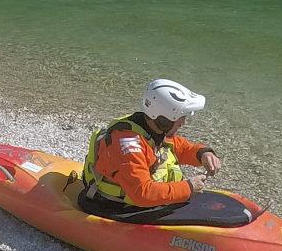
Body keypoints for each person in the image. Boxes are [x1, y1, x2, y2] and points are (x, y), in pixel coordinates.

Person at [80, 78, 223, 219]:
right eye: (181, 117)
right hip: (115, 206)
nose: (183, 122)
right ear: (164, 119)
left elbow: (180, 147)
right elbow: (142, 193)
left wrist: (203, 154)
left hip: (136, 198)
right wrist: (189, 188)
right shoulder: (128, 144)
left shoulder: (151, 127)